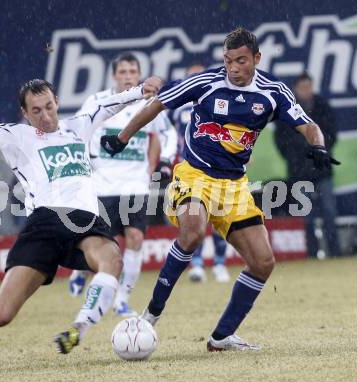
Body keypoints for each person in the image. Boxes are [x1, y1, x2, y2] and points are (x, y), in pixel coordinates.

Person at [100, 27, 339, 351]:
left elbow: (307, 124)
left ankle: (222, 336)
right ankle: (150, 316)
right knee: (194, 231)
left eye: (241, 61)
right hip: (193, 175)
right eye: (228, 61)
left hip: (234, 187)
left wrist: (319, 146)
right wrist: (122, 137)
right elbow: (158, 104)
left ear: (257, 58)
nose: (233, 68)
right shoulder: (206, 82)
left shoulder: (273, 91)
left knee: (263, 262)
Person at [0, 55, 161, 354]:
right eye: (36, 111)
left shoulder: (78, 126)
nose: (45, 116)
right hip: (44, 223)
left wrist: (141, 91)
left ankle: (78, 329)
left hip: (85, 219)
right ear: (24, 112)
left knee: (112, 260)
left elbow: (108, 106)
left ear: (57, 101)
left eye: (49, 107)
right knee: (2, 315)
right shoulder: (17, 137)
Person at [68, 52, 177, 316]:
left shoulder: (150, 102)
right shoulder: (97, 102)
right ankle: (80, 271)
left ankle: (122, 298)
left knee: (135, 238)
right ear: (114, 76)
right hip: (103, 185)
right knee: (102, 243)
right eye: (123, 72)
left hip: (135, 185)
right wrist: (84, 164)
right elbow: (76, 132)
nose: (128, 76)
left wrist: (163, 161)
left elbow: (167, 133)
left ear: (139, 75)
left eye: (132, 72)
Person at [171, 63, 230, 283]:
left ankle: (220, 264)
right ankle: (196, 264)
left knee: (218, 218)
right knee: (194, 219)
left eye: (199, 76)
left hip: (218, 170)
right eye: (190, 77)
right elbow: (169, 137)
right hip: (189, 171)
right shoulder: (176, 109)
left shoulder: (218, 104)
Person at [274, 72, 341, 258]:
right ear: (296, 89)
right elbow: (281, 141)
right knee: (307, 216)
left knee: (329, 212)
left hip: (322, 169)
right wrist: (298, 155)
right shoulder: (287, 109)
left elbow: (332, 134)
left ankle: (334, 252)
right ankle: (311, 253)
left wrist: (318, 151)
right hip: (299, 173)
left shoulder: (322, 106)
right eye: (303, 87)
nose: (307, 90)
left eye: (309, 86)